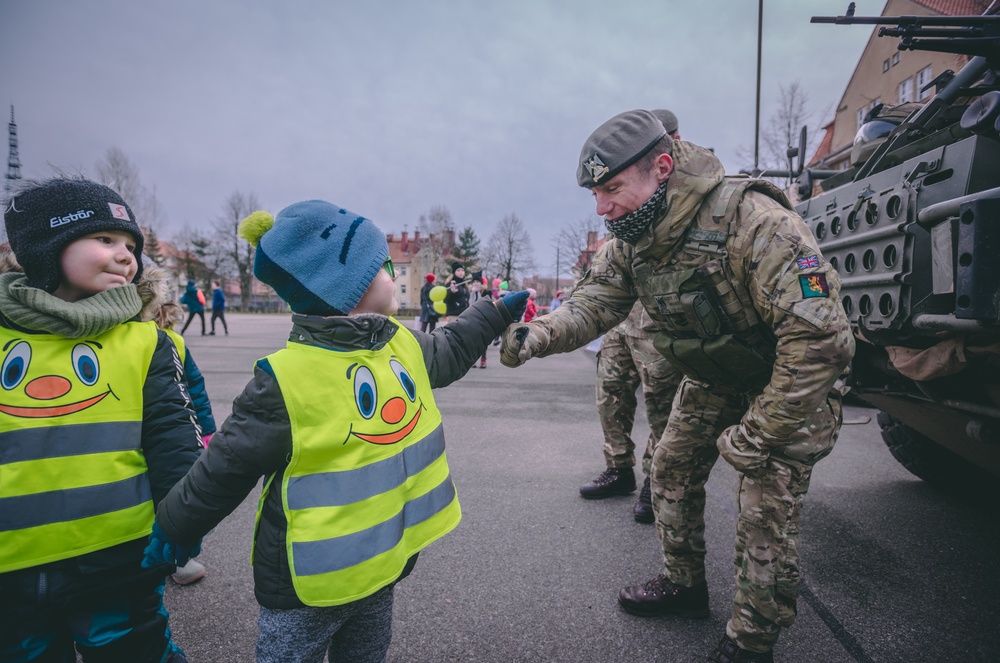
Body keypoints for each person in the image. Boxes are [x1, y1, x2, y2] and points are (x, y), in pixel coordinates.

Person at [500, 110, 854, 663]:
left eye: (612, 188)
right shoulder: (631, 239)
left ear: (661, 167)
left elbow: (821, 341)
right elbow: (596, 304)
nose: (602, 207)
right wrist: (537, 335)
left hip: (792, 382)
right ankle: (684, 586)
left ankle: (751, 640)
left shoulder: (755, 221)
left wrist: (758, 434)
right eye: (596, 193)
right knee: (669, 468)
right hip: (720, 374)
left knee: (764, 509)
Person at [143, 200, 528, 663]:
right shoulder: (285, 380)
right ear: (352, 287)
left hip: (381, 566)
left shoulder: (397, 342)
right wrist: (176, 526)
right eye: (383, 265)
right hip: (307, 586)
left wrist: (491, 314)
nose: (391, 273)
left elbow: (447, 350)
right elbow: (224, 467)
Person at [0, 178, 201, 662]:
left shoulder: (142, 342)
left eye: (130, 245)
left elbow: (174, 442)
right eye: (105, 240)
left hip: (120, 559)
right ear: (48, 249)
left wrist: (182, 528)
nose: (125, 255)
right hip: (11, 572)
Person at [580, 109, 683, 523]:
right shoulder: (629, 192)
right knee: (611, 392)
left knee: (662, 402)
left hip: (657, 321)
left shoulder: (676, 191)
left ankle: (652, 480)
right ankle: (618, 467)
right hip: (622, 318)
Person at [139, 260, 217, 586]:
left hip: (165, 432)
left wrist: (207, 431)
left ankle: (175, 556)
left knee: (166, 494)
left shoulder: (170, 342)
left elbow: (194, 389)